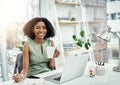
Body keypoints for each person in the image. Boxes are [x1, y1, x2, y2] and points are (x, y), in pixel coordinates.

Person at [13, 17, 60, 82]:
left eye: (44, 28)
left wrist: (53, 56)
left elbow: (51, 66)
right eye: (38, 28)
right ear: (33, 29)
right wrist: (20, 76)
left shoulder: (51, 43)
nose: (41, 30)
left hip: (47, 75)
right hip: (33, 77)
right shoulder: (27, 45)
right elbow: (25, 70)